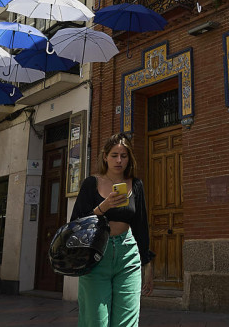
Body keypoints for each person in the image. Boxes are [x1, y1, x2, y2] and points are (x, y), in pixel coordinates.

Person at [70, 132, 155, 327]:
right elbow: (76, 222)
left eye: (123, 156)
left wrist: (147, 263)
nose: (119, 160)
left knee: (127, 322)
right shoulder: (91, 183)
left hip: (128, 255)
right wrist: (104, 207)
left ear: (129, 158)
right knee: (96, 321)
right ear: (105, 157)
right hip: (97, 256)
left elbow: (141, 226)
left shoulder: (136, 185)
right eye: (114, 155)